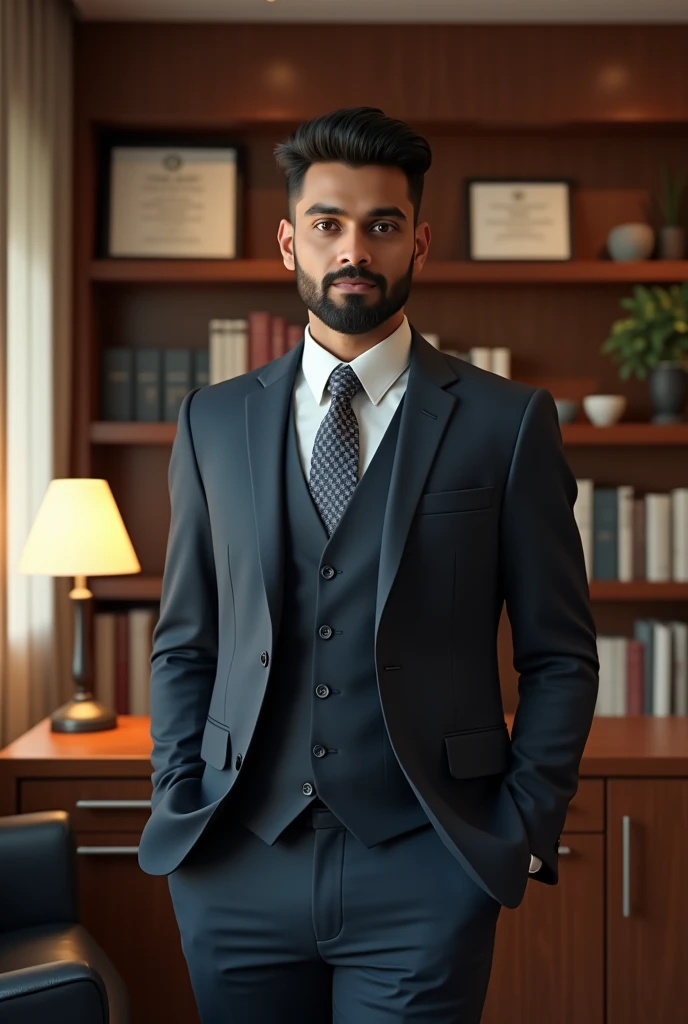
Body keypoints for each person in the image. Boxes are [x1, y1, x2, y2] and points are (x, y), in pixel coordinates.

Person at [138, 106, 599, 1024]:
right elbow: (186, 642)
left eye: (381, 225)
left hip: (429, 866)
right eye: (329, 225)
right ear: (288, 242)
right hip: (234, 862)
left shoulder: (508, 424)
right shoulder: (209, 422)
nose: (355, 248)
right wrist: (179, 799)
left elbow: (561, 655)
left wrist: (518, 829)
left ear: (418, 241)